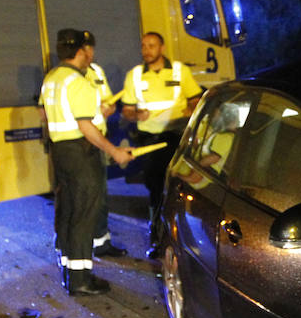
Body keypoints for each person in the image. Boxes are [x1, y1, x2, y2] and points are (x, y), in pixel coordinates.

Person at [41, 28, 133, 296]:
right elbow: (85, 126)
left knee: (69, 210)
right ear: (82, 51)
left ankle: (71, 271)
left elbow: (47, 117)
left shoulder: (52, 78)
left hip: (61, 151)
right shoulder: (78, 81)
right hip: (81, 154)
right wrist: (114, 151)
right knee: (84, 214)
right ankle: (81, 279)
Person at [119, 30, 202, 256]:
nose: (146, 50)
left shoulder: (179, 71)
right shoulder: (134, 75)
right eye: (144, 46)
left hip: (176, 137)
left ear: (162, 48)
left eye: (151, 46)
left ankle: (183, 237)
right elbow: (126, 110)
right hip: (150, 141)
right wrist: (136, 115)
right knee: (155, 188)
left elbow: (196, 99)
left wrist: (189, 109)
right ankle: (157, 238)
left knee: (177, 187)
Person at [85, 58, 128, 258]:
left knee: (100, 195)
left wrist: (108, 109)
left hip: (97, 140)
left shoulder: (96, 70)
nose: (88, 54)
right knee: (80, 198)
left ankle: (101, 242)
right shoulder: (68, 76)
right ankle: (74, 248)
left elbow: (107, 100)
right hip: (80, 143)